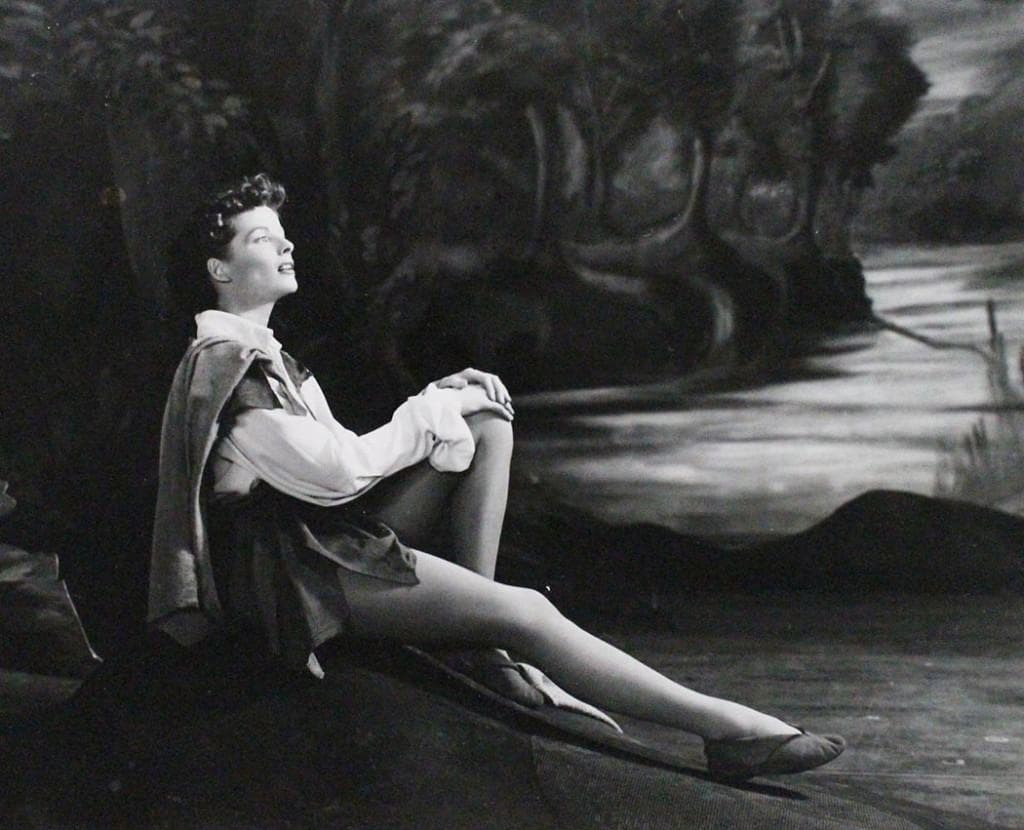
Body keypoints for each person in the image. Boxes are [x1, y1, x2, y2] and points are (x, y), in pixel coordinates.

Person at [148, 172, 844, 783]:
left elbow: (339, 464)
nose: (286, 246)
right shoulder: (228, 367)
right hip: (286, 574)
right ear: (220, 269)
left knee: (485, 419)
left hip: (315, 534)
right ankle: (728, 729)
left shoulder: (263, 355)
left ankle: (478, 641)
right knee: (529, 610)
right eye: (264, 239)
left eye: (282, 234)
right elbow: (339, 473)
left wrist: (446, 400)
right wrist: (428, 409)